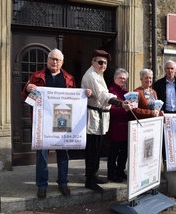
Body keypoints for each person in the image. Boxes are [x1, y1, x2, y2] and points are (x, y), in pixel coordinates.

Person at [22, 48, 92, 198]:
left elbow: (75, 99)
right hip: (43, 123)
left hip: (63, 122)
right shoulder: (37, 76)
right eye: (52, 59)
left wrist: (84, 94)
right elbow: (26, 98)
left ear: (62, 62)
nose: (54, 62)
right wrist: (27, 89)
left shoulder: (69, 78)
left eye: (57, 60)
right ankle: (42, 185)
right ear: (47, 60)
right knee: (42, 156)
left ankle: (63, 183)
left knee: (63, 155)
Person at [81, 49, 133, 192]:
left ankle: (94, 174)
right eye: (100, 62)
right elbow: (103, 96)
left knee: (97, 149)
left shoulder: (99, 75)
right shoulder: (92, 75)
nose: (103, 65)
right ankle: (89, 179)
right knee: (92, 149)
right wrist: (120, 103)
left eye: (105, 63)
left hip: (100, 116)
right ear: (93, 62)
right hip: (93, 116)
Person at [107, 68, 132, 183]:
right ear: (114, 78)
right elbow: (111, 109)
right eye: (120, 78)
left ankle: (120, 171)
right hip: (116, 126)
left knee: (124, 152)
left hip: (126, 127)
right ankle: (111, 173)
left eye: (124, 78)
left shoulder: (126, 92)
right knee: (114, 152)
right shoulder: (111, 91)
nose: (123, 80)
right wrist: (125, 110)